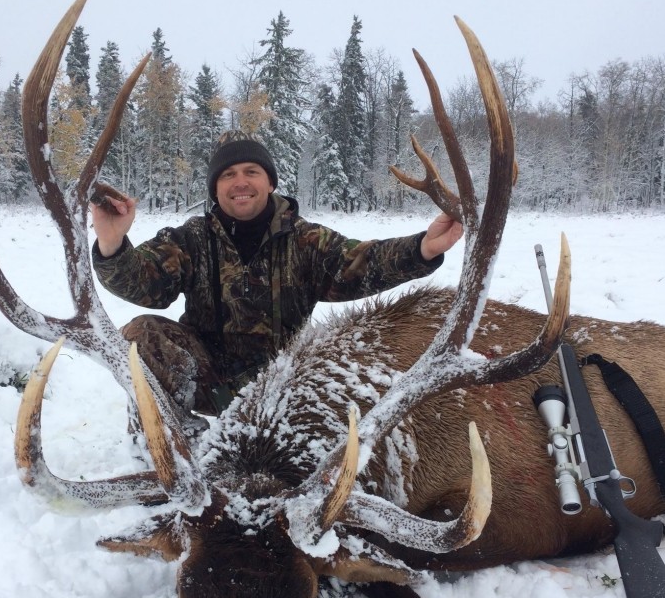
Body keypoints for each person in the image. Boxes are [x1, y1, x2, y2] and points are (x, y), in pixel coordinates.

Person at [91, 131, 463, 435]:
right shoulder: (191, 239)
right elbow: (143, 284)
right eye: (227, 174)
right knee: (141, 334)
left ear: (269, 182)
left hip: (286, 384)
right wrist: (111, 243)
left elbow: (360, 263)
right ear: (215, 188)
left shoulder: (305, 240)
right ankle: (174, 445)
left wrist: (423, 249)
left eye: (251, 171)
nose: (240, 182)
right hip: (210, 377)